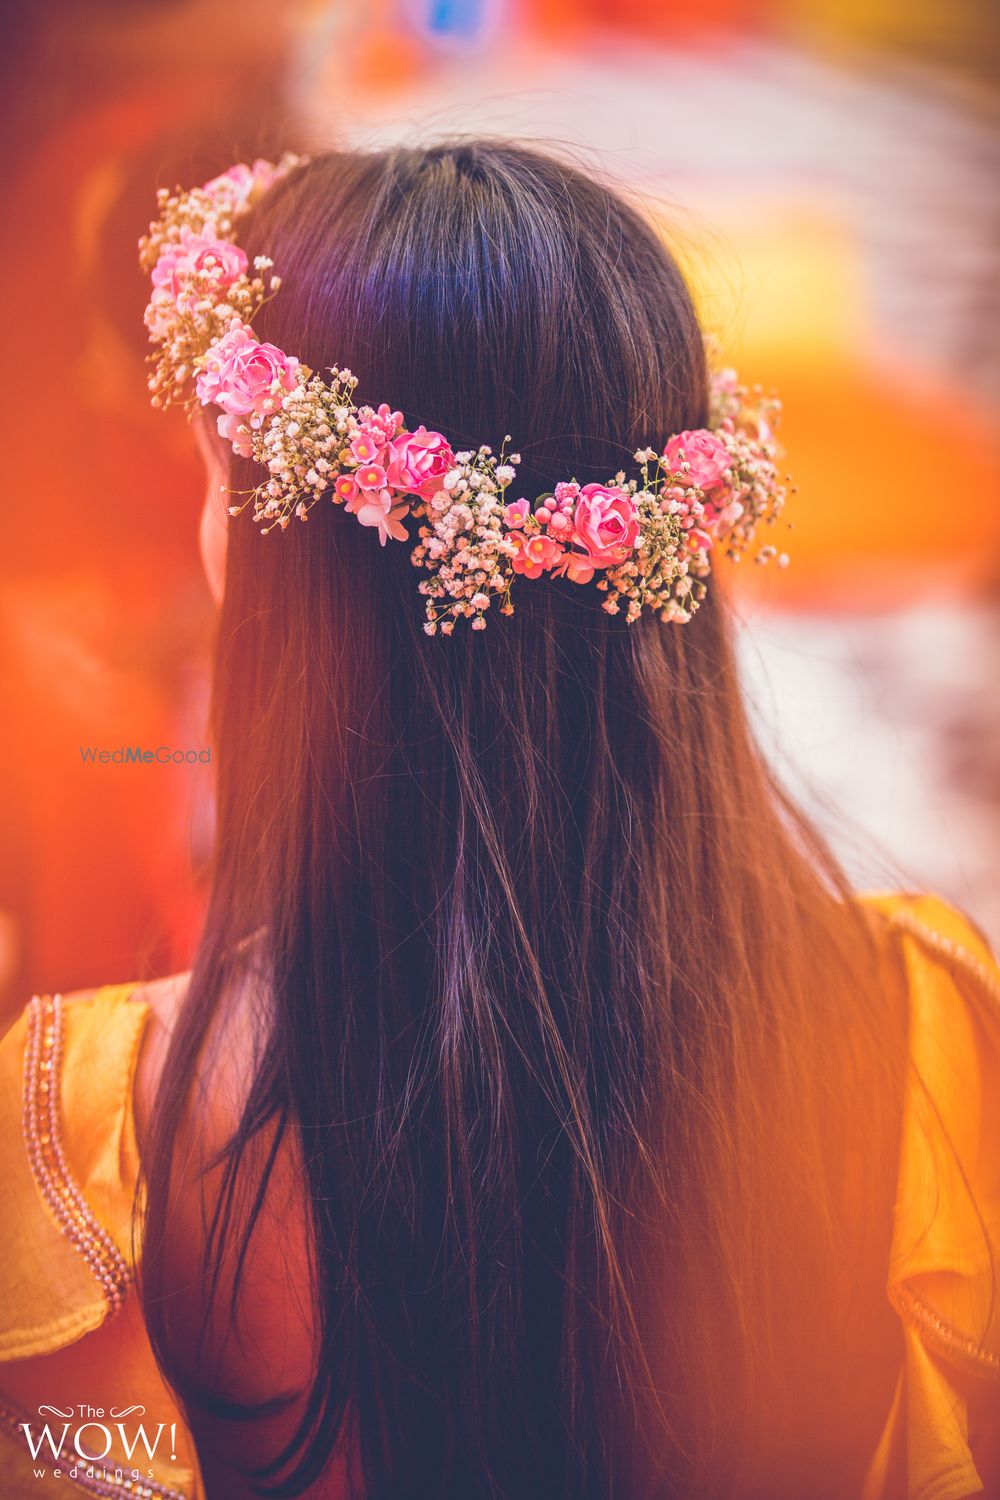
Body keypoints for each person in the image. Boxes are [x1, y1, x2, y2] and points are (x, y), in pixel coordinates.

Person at [1, 141, 997, 1500]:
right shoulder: (930, 1028)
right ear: (665, 562)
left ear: (271, 549)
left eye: (215, 488)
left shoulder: (85, 1137)